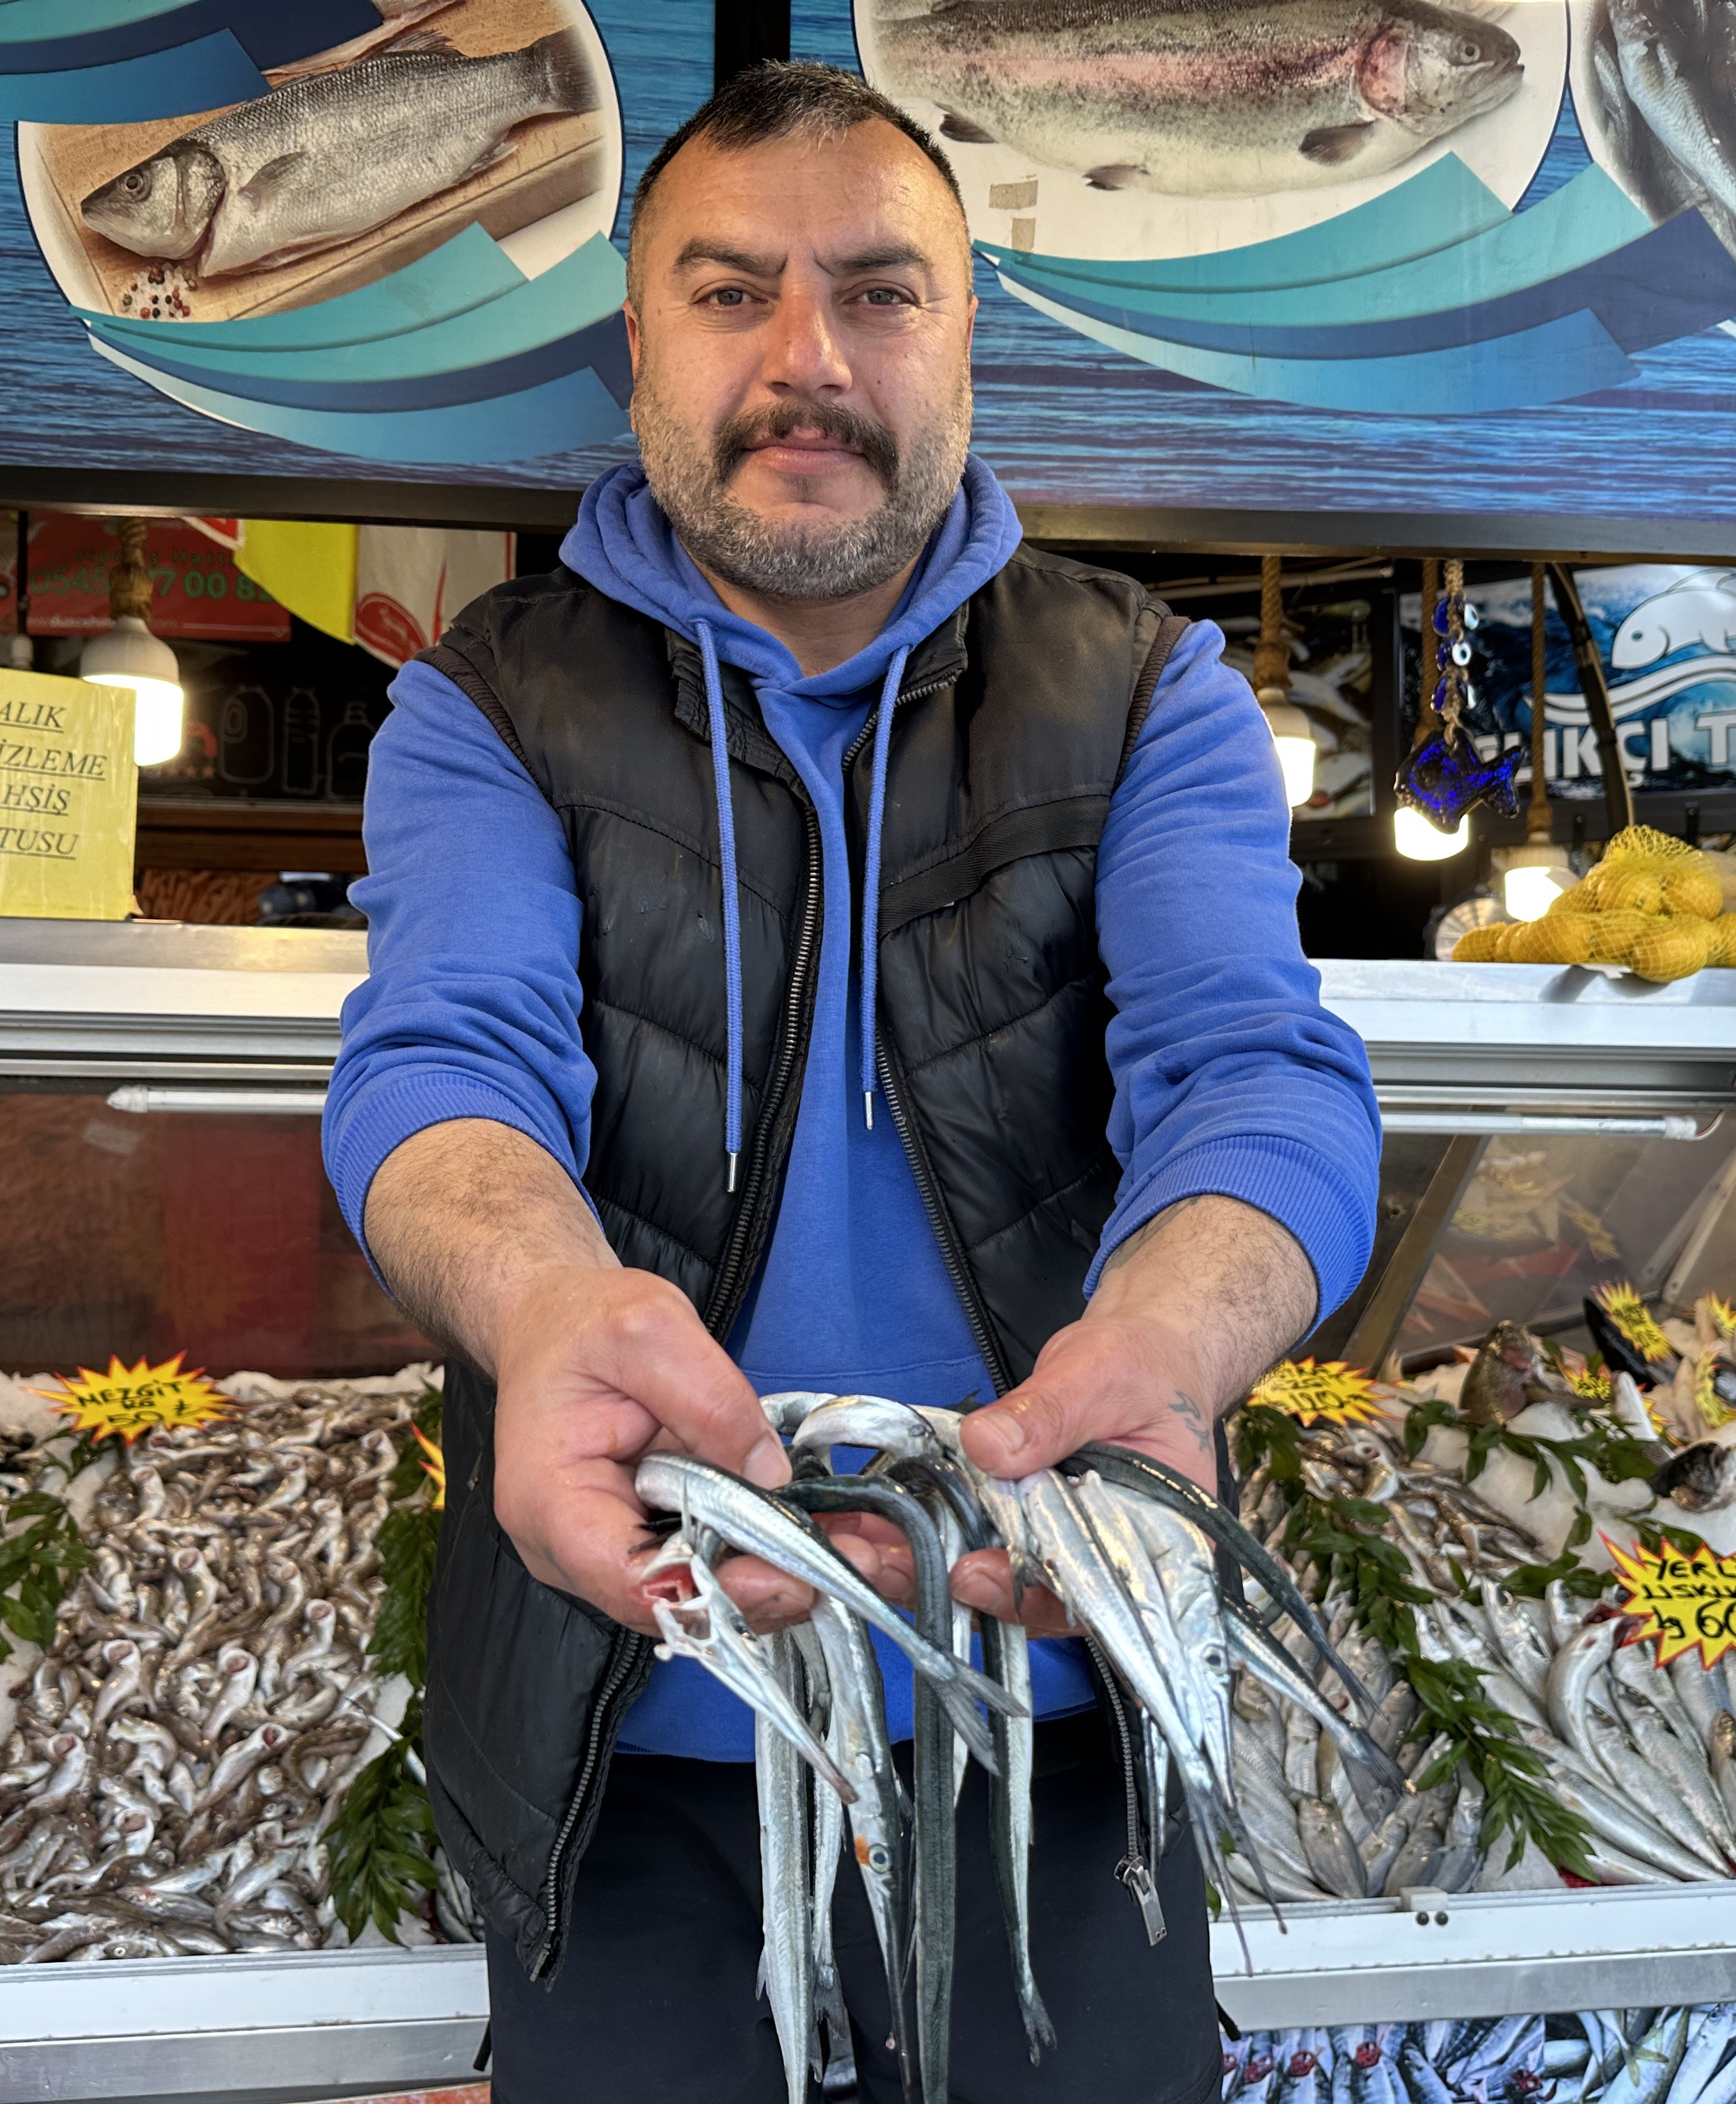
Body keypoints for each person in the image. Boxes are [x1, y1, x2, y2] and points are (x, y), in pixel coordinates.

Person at [324, 61, 1380, 2104]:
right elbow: (445, 1056)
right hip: (623, 1730)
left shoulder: (1150, 684)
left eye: (880, 293)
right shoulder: (481, 703)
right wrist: (548, 1306)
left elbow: (1255, 1066)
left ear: (970, 340)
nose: (806, 362)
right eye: (731, 295)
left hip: (1055, 1703)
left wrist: (1171, 1341)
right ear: (637, 346)